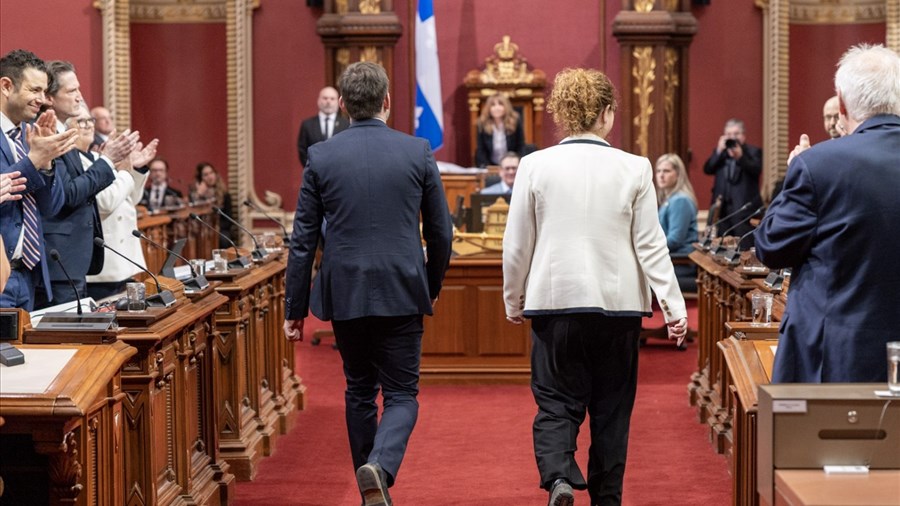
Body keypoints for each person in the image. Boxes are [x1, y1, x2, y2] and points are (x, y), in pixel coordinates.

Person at [503, 67, 687, 506]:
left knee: (555, 402)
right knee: (611, 413)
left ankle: (559, 479)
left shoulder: (533, 165)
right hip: (618, 308)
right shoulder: (635, 167)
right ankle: (606, 499)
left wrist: (514, 300)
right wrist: (675, 309)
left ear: (562, 114)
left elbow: (517, 246)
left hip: (554, 305)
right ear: (607, 114)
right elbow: (651, 246)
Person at [283, 61, 452, 506]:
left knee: (359, 389)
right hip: (402, 288)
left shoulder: (322, 155)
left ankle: (370, 491)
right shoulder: (417, 151)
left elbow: (302, 240)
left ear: (342, 105)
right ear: (388, 102)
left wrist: (294, 308)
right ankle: (379, 468)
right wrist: (430, 284)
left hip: (346, 291)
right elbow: (441, 232)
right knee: (402, 394)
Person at [754, 43, 900, 384]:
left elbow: (773, 247)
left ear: (843, 104)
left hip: (835, 358)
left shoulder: (818, 163)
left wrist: (794, 172)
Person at [38, 61, 139, 308]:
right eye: (71, 91)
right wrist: (107, 160)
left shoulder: (64, 134)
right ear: (50, 98)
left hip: (75, 258)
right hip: (59, 260)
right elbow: (70, 194)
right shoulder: (49, 134)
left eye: (79, 89)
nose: (79, 97)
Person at [1, 49, 78, 311]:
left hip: (29, 274)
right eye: (34, 90)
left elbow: (49, 208)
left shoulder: (27, 134)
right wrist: (33, 160)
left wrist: (46, 163)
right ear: (6, 86)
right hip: (2, 274)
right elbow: (5, 188)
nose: (42, 100)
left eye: (44, 92)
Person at [85, 116, 158, 300]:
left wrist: (136, 170)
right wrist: (125, 172)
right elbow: (105, 201)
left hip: (125, 258)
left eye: (89, 121)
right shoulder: (88, 160)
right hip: (105, 264)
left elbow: (130, 198)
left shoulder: (97, 157)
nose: (88, 126)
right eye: (82, 122)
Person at [702, 118, 762, 237]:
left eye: (736, 134)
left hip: (743, 211)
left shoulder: (753, 152)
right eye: (729, 134)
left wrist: (740, 157)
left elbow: (756, 170)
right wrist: (719, 150)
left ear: (743, 136)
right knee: (721, 247)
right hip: (722, 210)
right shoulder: (721, 154)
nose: (733, 137)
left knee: (744, 247)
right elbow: (708, 169)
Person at [655, 153, 698, 293]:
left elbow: (675, 240)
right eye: (658, 171)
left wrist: (649, 249)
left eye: (666, 171)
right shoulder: (670, 199)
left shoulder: (680, 201)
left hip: (680, 262)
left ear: (678, 174)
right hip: (670, 260)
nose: (661, 175)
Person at [296, 86, 349, 167]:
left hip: (340, 174)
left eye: (332, 99)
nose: (328, 101)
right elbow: (302, 151)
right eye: (325, 98)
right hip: (314, 175)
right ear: (318, 100)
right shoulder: (307, 125)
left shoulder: (346, 125)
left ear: (339, 102)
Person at [190, 161, 235, 247]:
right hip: (200, 229)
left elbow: (228, 220)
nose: (210, 177)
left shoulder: (225, 194)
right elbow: (192, 213)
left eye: (211, 173)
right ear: (200, 179)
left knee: (223, 239)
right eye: (206, 175)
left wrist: (214, 227)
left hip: (220, 229)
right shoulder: (195, 195)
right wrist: (199, 195)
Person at [474, 92, 525, 167]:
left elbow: (520, 146)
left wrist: (517, 164)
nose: (496, 108)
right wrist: (487, 167)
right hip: (490, 165)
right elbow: (481, 149)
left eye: (500, 104)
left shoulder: (515, 121)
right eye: (493, 105)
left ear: (506, 107)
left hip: (511, 165)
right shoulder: (482, 123)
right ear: (489, 108)